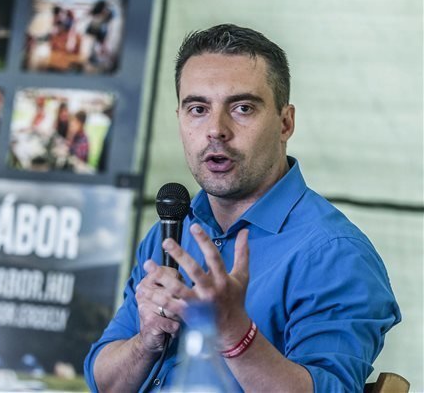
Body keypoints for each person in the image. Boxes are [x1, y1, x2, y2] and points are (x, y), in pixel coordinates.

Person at [83, 24, 400, 392]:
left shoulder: (335, 254)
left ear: (285, 123)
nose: (216, 129)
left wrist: (236, 335)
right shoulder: (172, 231)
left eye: (242, 108)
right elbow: (103, 382)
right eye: (198, 109)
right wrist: (146, 341)